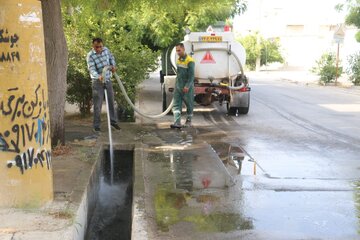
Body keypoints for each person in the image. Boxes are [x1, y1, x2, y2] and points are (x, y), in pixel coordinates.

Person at [86, 38, 121, 132]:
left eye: (100, 46)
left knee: (111, 101)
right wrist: (98, 76)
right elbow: (92, 69)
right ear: (93, 46)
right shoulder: (90, 56)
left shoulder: (106, 50)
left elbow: (111, 58)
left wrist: (113, 66)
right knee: (98, 105)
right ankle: (96, 126)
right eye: (97, 47)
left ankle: (113, 122)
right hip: (98, 82)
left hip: (108, 80)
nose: (99, 48)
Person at [170, 43, 195, 129]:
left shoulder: (190, 61)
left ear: (183, 49)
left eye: (179, 50)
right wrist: (177, 85)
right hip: (178, 86)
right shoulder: (178, 60)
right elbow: (179, 74)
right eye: (176, 50)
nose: (177, 52)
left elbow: (191, 76)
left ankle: (189, 121)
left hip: (187, 87)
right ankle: (177, 122)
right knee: (176, 105)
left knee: (189, 104)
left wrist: (187, 86)